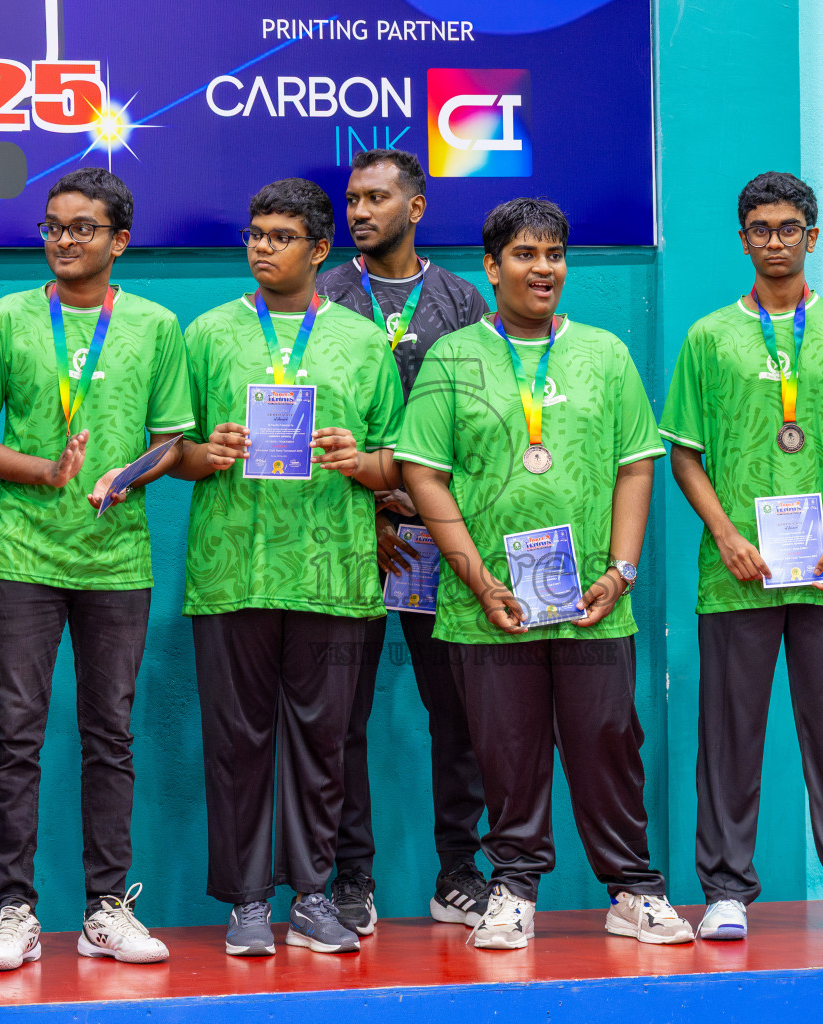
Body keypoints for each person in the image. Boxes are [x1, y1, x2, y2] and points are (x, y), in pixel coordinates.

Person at [396, 198, 692, 950]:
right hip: (486, 605)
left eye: (554, 254)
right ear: (492, 268)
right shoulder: (454, 356)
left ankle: (634, 890)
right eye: (526, 255)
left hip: (593, 602)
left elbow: (636, 467)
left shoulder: (604, 352)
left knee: (606, 739)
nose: (545, 269)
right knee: (506, 748)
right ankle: (514, 891)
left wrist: (622, 570)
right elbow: (424, 475)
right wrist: (476, 580)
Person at [0, 167, 189, 970]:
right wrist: (45, 471)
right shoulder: (6, 318)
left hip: (118, 561)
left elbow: (174, 442)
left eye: (82, 227)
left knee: (109, 737)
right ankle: (13, 908)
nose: (63, 240)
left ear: (119, 241)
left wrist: (127, 475)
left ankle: (105, 908)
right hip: (19, 556)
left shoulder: (155, 326)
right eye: (53, 226)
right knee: (16, 736)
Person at [660, 171, 823, 941]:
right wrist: (728, 537)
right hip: (737, 575)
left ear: (813, 236)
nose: (774, 241)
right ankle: (727, 890)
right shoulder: (709, 337)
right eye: (760, 229)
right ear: (743, 239)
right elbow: (685, 457)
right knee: (730, 734)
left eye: (788, 228)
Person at [172, 178, 403, 957]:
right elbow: (173, 449)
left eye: (279, 236)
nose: (262, 248)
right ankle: (244, 903)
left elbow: (398, 462)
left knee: (323, 743)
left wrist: (360, 461)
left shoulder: (365, 342)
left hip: (332, 576)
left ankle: (311, 895)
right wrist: (209, 455)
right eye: (255, 234)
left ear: (320, 249)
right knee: (237, 741)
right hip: (231, 572)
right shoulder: (204, 334)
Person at [315, 148, 491, 934]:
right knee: (340, 716)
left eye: (377, 197)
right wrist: (374, 507)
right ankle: (351, 877)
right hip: (351, 533)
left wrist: (410, 504)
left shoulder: (462, 299)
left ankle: (459, 871)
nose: (359, 210)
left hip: (433, 538)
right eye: (352, 199)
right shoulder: (321, 294)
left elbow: (474, 426)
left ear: (415, 208)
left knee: (456, 713)